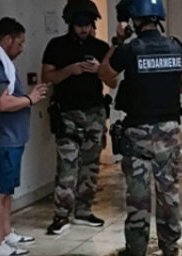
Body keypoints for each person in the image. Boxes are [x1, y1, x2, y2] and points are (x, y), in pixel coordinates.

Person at [100, 0, 182, 256]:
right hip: (168, 132)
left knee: (138, 195)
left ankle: (137, 253)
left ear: (134, 20)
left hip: (138, 133)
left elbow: (105, 75)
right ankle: (169, 249)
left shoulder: (129, 51)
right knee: (168, 192)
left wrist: (118, 40)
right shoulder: (178, 48)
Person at [0, 17, 49, 256]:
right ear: (7, 39)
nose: (22, 48)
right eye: (20, 42)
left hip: (10, 137)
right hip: (0, 137)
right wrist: (30, 98)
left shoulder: (1, 61)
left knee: (6, 189)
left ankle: (6, 233)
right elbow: (2, 102)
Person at [41, 0, 111, 237]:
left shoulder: (101, 47)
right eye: (79, 24)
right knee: (67, 166)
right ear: (70, 23)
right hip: (67, 113)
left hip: (94, 112)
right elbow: (47, 76)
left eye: (88, 24)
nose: (83, 28)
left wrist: (98, 69)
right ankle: (61, 215)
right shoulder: (57, 46)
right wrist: (69, 71)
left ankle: (84, 210)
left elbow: (113, 80)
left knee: (90, 165)